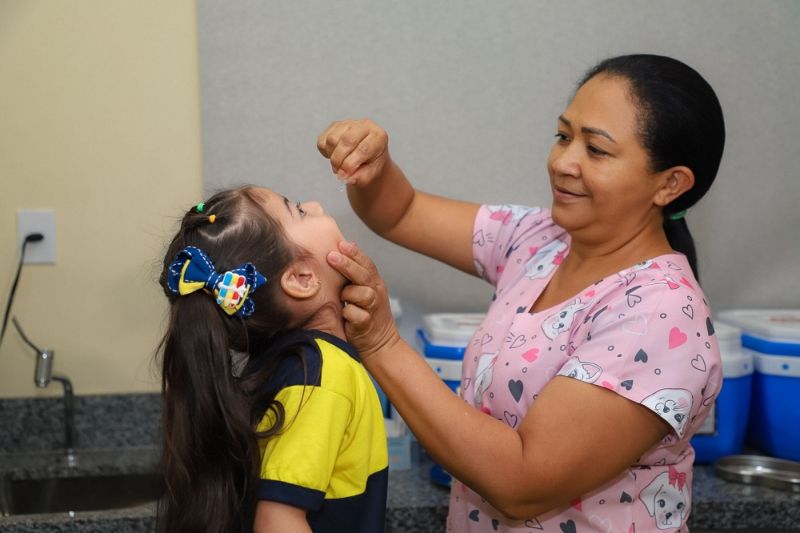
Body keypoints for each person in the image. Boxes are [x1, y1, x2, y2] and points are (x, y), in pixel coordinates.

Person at [317, 54, 725, 532]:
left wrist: (383, 345)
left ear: (670, 184)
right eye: (563, 136)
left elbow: (521, 482)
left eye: (596, 150)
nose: (563, 162)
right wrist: (373, 164)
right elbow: (400, 212)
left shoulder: (663, 313)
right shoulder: (540, 239)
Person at [156, 186, 388, 533]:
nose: (315, 203)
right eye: (298, 210)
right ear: (301, 279)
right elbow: (277, 522)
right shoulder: (323, 379)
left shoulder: (292, 363)